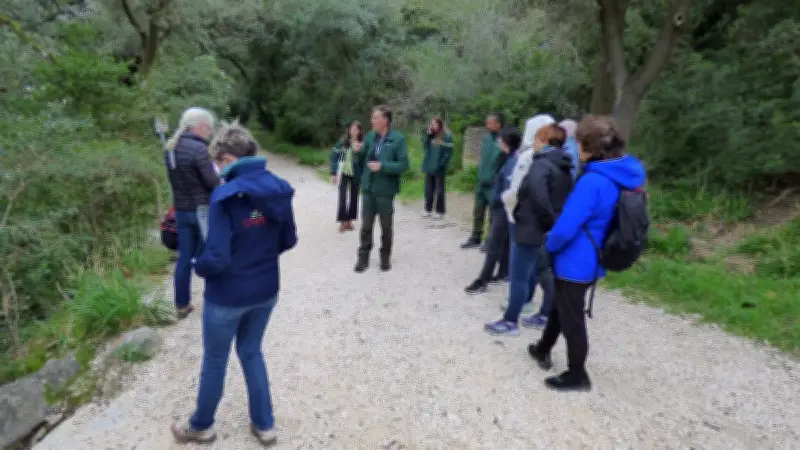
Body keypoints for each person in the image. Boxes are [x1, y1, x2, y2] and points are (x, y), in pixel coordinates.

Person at [171, 121, 298, 445]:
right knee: (252, 351)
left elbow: (217, 257)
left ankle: (202, 425)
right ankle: (265, 425)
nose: (217, 169)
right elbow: (288, 239)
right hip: (267, 289)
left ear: (228, 158)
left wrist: (198, 266)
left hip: (227, 296)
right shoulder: (280, 188)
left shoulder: (224, 196)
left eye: (218, 163)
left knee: (216, 358)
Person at [528, 115, 646, 392]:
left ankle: (577, 374)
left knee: (572, 318)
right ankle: (543, 348)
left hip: (575, 262)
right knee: (561, 304)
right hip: (594, 257)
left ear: (590, 147)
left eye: (579, 143)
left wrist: (550, 246)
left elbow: (566, 227)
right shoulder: (620, 176)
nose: (576, 148)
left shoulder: (592, 182)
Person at [486, 124, 574, 336]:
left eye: (536, 138)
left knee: (519, 276)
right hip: (546, 229)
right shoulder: (564, 166)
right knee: (542, 271)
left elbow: (536, 194)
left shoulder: (541, 165)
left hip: (530, 228)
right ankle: (544, 314)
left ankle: (510, 321)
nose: (533, 143)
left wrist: (537, 218)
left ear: (545, 140)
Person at [164, 107, 219, 319]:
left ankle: (182, 304)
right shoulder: (199, 149)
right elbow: (211, 182)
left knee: (185, 257)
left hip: (181, 210)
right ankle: (214, 300)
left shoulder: (170, 148)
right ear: (201, 126)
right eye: (209, 128)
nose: (209, 133)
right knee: (210, 254)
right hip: (202, 210)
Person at [464, 127, 521, 294]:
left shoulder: (512, 162)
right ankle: (504, 272)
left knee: (494, 244)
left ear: (506, 142)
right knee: (504, 241)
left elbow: (510, 189)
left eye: (500, 139)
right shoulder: (509, 158)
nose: (498, 142)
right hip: (504, 207)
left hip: (503, 209)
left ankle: (483, 280)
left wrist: (497, 200)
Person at [355, 105, 409, 273]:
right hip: (369, 189)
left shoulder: (398, 139)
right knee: (366, 226)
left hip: (385, 190)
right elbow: (362, 158)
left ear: (385, 120)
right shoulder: (371, 137)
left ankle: (385, 257)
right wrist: (358, 151)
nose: (372, 121)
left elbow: (403, 164)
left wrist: (383, 166)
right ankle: (363, 258)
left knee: (386, 227)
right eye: (372, 118)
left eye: (374, 118)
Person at [460, 112, 505, 250]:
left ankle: (490, 240)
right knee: (478, 211)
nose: (487, 124)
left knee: (493, 214)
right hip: (481, 181)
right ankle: (475, 237)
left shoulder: (503, 140)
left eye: (490, 122)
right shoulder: (485, 139)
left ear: (498, 124)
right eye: (487, 122)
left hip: (493, 184)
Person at [502, 113, 555, 224]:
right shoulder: (556, 153)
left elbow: (517, 186)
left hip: (521, 214)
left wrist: (505, 198)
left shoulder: (527, 155)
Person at [330, 120, 365, 232]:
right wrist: (334, 173)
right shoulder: (342, 142)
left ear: (360, 131)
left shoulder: (363, 144)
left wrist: (359, 151)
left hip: (356, 174)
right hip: (343, 173)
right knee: (343, 197)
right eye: (352, 129)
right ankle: (342, 220)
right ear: (349, 130)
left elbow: (365, 160)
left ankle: (349, 220)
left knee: (354, 197)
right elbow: (333, 157)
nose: (354, 131)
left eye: (356, 129)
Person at [421, 117, 454, 220]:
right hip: (429, 166)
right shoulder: (431, 135)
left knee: (439, 191)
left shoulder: (446, 136)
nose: (433, 126)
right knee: (428, 190)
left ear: (440, 124)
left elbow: (448, 152)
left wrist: (441, 164)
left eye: (435, 124)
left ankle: (440, 211)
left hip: (439, 168)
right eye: (432, 124)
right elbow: (425, 146)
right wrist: (428, 135)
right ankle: (428, 209)